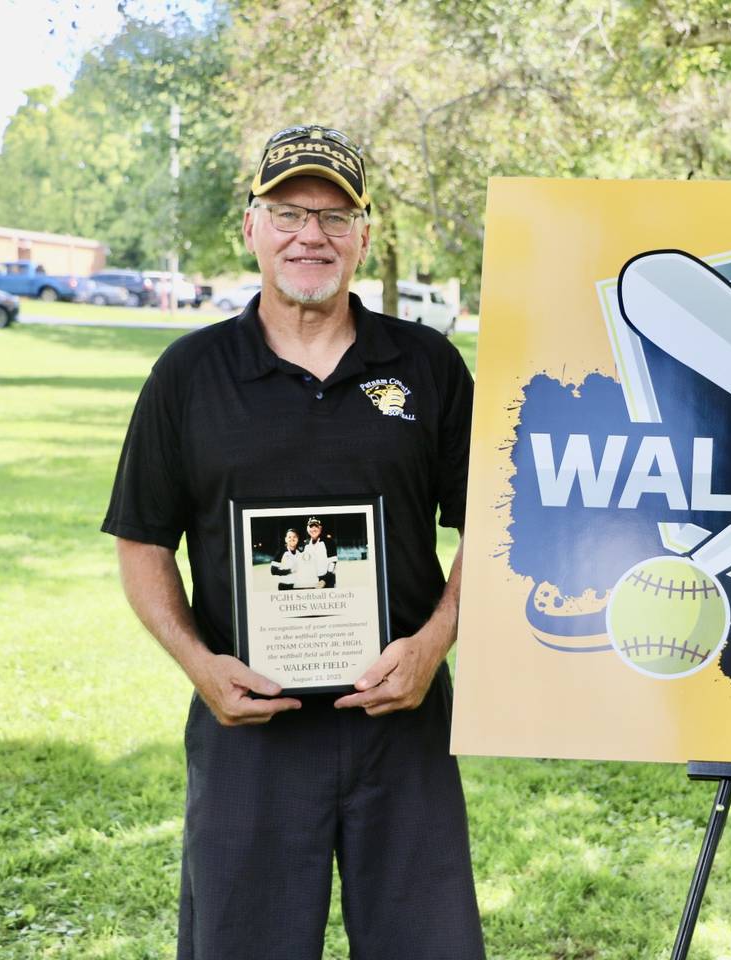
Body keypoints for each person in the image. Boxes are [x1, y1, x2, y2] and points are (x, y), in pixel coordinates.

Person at [102, 124, 483, 959]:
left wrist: (433, 644)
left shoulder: (427, 366)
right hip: (250, 732)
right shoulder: (189, 376)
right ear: (251, 227)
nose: (311, 234)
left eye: (335, 216)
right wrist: (201, 667)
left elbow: (496, 526)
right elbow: (141, 541)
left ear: (365, 236)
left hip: (402, 725)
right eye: (288, 211)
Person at [302, 516, 337, 588]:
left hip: (327, 581)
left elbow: (332, 563)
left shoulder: (329, 542)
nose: (314, 529)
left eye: (316, 526)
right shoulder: (305, 544)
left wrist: (324, 580)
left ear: (320, 528)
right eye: (311, 526)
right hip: (311, 581)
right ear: (307, 529)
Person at [270, 526, 307, 591]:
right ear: (285, 539)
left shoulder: (301, 553)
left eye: (294, 537)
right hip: (285, 586)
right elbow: (273, 571)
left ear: (297, 539)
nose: (292, 539)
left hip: (299, 586)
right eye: (289, 537)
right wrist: (290, 571)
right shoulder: (280, 553)